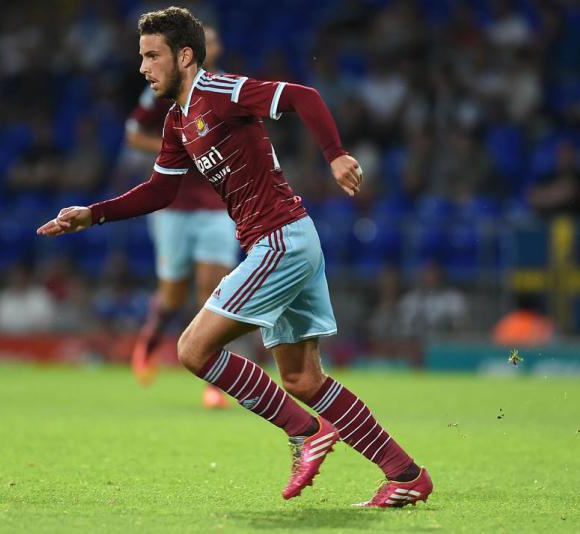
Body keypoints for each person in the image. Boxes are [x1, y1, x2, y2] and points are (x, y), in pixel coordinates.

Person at [37, 6, 432, 506]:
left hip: (280, 242)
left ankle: (305, 432)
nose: (143, 67)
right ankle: (406, 474)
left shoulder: (220, 92)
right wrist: (91, 214)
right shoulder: (179, 121)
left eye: (152, 55)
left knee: (192, 351)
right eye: (141, 57)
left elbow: (302, 96)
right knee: (302, 378)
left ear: (184, 55)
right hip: (290, 239)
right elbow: (160, 192)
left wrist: (335, 155)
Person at [125, 23, 238, 409]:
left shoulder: (227, 88)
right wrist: (175, 146)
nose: (212, 43)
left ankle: (215, 382)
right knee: (173, 295)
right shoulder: (165, 85)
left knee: (215, 292)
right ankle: (152, 338)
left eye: (215, 37)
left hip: (216, 206)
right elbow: (133, 132)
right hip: (172, 206)